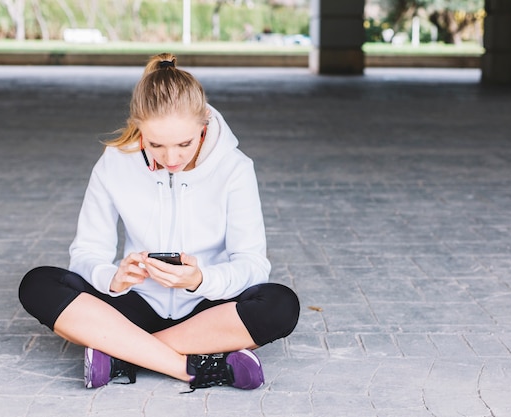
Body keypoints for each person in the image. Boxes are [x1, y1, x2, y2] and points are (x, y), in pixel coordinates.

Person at [18, 53, 300, 391]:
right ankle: (191, 366)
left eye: (184, 143)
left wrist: (200, 279)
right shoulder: (114, 163)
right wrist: (115, 278)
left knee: (280, 305)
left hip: (206, 310)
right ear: (139, 130)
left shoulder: (234, 167)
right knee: (38, 284)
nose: (171, 158)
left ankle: (122, 352)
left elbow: (252, 265)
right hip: (133, 304)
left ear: (204, 125)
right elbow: (87, 251)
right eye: (156, 145)